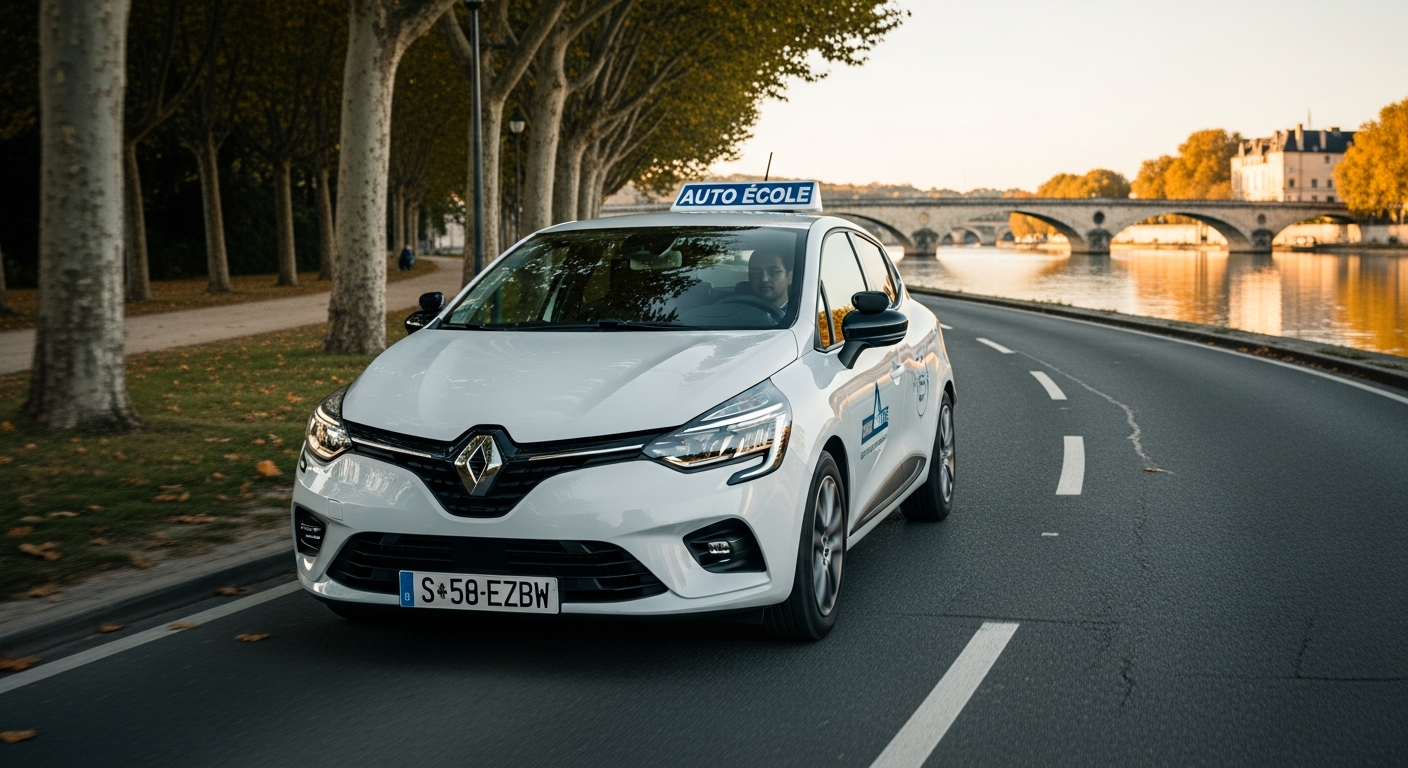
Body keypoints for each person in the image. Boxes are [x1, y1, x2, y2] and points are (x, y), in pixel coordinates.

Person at [747, 248, 793, 312]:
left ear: (789, 277)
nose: (764, 279)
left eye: (774, 272)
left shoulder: (802, 312)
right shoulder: (738, 311)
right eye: (756, 272)